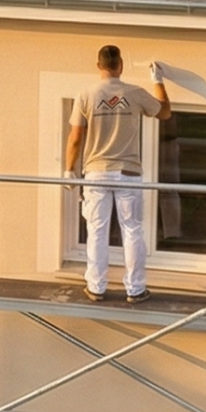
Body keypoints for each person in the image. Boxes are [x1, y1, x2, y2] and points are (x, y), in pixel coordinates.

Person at [64, 45, 171, 300]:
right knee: (132, 230)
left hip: (96, 173)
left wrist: (69, 170)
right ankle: (135, 289)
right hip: (128, 173)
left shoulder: (86, 94)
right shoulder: (134, 93)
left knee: (97, 231)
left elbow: (76, 137)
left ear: (99, 66)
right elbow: (165, 112)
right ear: (120, 65)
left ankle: (96, 287)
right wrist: (158, 82)